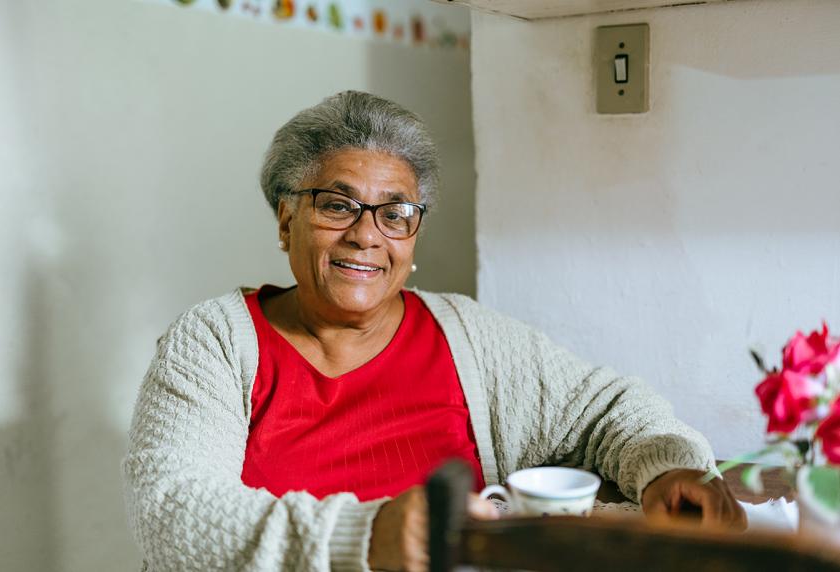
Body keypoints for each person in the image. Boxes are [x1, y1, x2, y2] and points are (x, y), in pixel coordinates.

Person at [122, 91, 745, 572]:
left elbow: (609, 409)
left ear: (413, 237)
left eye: (395, 213)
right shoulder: (215, 342)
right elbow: (171, 512)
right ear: (287, 221)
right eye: (337, 206)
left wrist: (669, 470)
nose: (367, 235)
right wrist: (367, 539)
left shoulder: (465, 335)